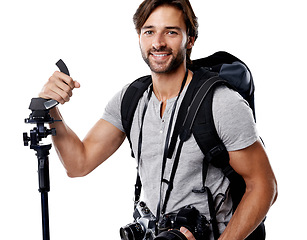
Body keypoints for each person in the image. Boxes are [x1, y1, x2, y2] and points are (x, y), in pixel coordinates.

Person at [39, 0, 278, 239]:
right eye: (149, 31)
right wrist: (50, 109)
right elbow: (78, 164)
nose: (158, 42)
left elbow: (264, 186)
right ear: (139, 37)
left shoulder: (221, 102)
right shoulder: (130, 99)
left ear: (190, 39)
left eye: (171, 32)